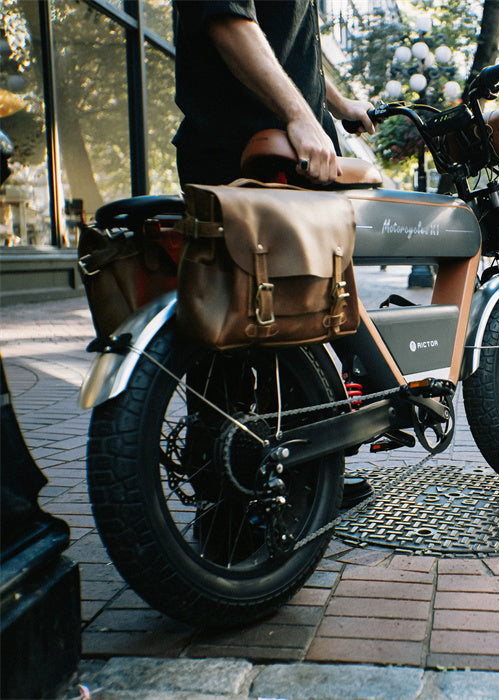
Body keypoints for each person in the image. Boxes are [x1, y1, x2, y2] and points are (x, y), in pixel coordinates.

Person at [171, 1, 376, 509]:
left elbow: (280, 40)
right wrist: (300, 115)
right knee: (234, 335)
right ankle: (226, 502)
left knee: (295, 319)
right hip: (245, 148)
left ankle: (303, 469)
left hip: (289, 153)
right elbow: (225, 18)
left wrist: (334, 103)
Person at [172, 1, 375, 187]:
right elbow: (228, 22)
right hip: (244, 164)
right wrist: (301, 117)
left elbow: (284, 57)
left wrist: (341, 105)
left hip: (307, 163)